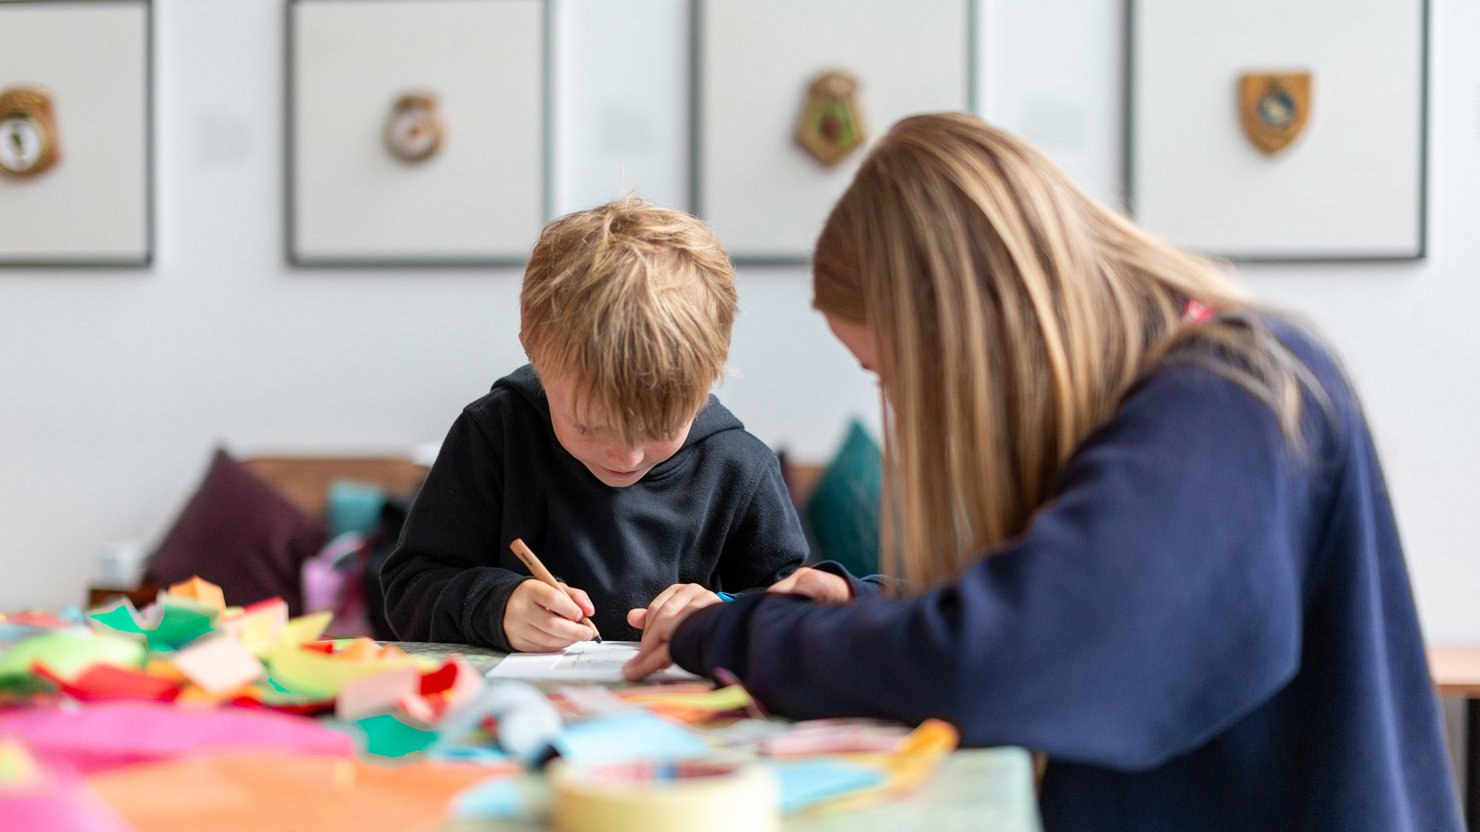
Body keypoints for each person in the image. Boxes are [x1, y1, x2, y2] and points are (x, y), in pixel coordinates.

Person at [624, 114, 1462, 831]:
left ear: (963, 332)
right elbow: (1064, 605)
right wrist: (864, 607)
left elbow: (999, 659)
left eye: (890, 376)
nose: (905, 411)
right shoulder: (1174, 398)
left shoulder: (1230, 396)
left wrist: (730, 632)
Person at [382, 198, 807, 652]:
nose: (626, 457)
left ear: (710, 374)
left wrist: (724, 612)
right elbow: (409, 589)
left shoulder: (740, 467)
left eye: (659, 429)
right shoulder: (494, 435)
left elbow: (798, 615)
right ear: (531, 345)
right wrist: (498, 607)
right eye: (588, 426)